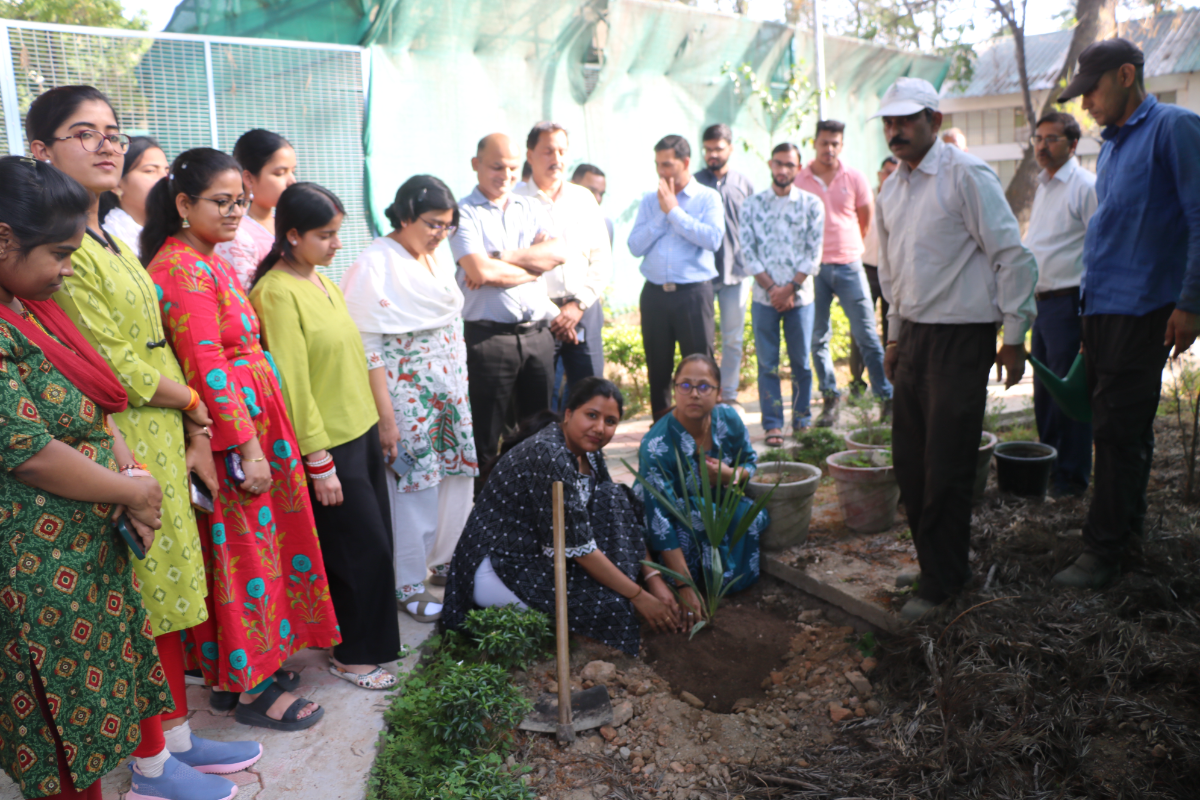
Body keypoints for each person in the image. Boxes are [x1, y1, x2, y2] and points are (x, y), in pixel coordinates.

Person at [28, 85, 263, 777]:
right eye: (83, 132)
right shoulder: (62, 247)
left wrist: (191, 424)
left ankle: (179, 743)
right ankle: (152, 764)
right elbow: (111, 363)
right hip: (122, 430)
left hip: (160, 427)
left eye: (113, 131)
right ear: (41, 152)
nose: (108, 144)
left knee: (167, 597)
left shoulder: (111, 235)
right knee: (140, 600)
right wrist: (196, 403)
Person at [142, 147, 339, 731]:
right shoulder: (178, 269)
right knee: (242, 558)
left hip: (256, 425)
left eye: (240, 201)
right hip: (234, 437)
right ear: (184, 204)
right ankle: (251, 690)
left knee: (265, 552)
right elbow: (204, 365)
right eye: (220, 201)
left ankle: (254, 671)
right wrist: (247, 447)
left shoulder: (206, 256)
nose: (234, 212)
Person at [874, 77, 1037, 620]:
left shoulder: (965, 175)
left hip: (962, 338)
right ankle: (934, 563)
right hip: (916, 337)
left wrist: (1013, 337)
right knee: (912, 463)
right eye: (888, 123)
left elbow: (1011, 256)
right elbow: (892, 271)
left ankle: (944, 584)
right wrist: (895, 335)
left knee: (945, 464)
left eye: (907, 121)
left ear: (935, 122)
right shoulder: (893, 187)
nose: (895, 132)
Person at [1051, 39, 1200, 588]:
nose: (1084, 103)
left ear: (1126, 74)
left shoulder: (1175, 129)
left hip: (1147, 309)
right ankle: (1127, 536)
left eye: (1090, 90)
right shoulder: (1112, 147)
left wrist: (1191, 303)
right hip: (1105, 311)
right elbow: (1108, 237)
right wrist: (1089, 322)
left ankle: (1102, 552)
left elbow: (1199, 216)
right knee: (1124, 430)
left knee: (1115, 429)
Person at [249, 183, 400, 689]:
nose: (337, 245)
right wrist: (318, 460)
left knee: (376, 544)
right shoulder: (274, 291)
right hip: (328, 443)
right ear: (291, 235)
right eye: (325, 235)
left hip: (357, 432)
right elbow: (291, 383)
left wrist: (380, 420)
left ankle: (371, 645)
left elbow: (349, 358)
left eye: (338, 233)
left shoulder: (319, 280)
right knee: (357, 550)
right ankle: (352, 655)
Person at [442, 378, 680, 654]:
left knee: (613, 497)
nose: (599, 428)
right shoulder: (549, 455)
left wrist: (654, 579)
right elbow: (580, 549)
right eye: (591, 415)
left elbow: (621, 520)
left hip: (544, 553)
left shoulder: (589, 453)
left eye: (610, 421)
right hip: (501, 566)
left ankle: (621, 595)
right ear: (569, 414)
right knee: (612, 607)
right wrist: (640, 596)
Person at [341, 175, 479, 622]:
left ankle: (442, 561)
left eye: (448, 225)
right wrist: (386, 418)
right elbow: (369, 348)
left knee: (454, 480)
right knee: (413, 487)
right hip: (405, 399)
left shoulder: (436, 258)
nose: (441, 234)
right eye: (432, 224)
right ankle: (407, 583)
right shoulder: (375, 263)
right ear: (404, 215)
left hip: (449, 395)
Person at [449, 133, 566, 459]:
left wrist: (500, 256)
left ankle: (539, 506)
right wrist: (532, 266)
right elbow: (479, 273)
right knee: (485, 439)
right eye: (496, 167)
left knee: (541, 436)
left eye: (513, 168)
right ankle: (486, 504)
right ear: (476, 165)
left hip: (537, 338)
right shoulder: (464, 213)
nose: (506, 175)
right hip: (488, 341)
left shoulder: (531, 206)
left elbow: (557, 252)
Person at [637, 354, 768, 609]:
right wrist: (683, 585)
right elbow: (659, 521)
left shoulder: (728, 418)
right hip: (671, 519)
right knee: (701, 515)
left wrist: (732, 475)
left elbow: (750, 461)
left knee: (750, 516)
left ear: (718, 393)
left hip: (718, 502)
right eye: (685, 385)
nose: (694, 393)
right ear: (675, 391)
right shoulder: (656, 446)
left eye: (704, 386)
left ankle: (730, 587)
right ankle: (693, 581)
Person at [795, 119, 893, 426]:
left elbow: (865, 218)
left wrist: (849, 246)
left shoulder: (855, 177)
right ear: (814, 143)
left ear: (842, 145)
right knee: (817, 338)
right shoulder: (800, 180)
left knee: (866, 335)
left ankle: (886, 398)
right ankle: (830, 398)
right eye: (824, 142)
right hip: (814, 269)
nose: (829, 149)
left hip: (850, 265)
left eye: (835, 143)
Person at [1024, 111, 1097, 498]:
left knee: (1069, 396)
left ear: (1072, 145)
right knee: (1046, 395)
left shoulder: (1085, 186)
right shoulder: (1044, 186)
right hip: (1042, 305)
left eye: (1051, 139)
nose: (1041, 145)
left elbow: (1099, 251)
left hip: (1070, 304)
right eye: (1038, 138)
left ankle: (1072, 479)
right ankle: (1050, 471)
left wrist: (1088, 314)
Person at [515, 122, 611, 411]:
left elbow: (601, 259)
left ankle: (589, 458)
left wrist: (577, 306)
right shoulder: (514, 200)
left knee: (592, 398)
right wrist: (556, 313)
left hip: (583, 310)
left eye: (561, 151)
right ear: (530, 155)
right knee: (540, 405)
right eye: (547, 151)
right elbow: (514, 263)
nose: (556, 159)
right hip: (537, 318)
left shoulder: (583, 198)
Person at [628, 136, 725, 420]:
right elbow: (634, 246)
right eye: (658, 165)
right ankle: (662, 428)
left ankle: (703, 427)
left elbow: (713, 239)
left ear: (685, 162)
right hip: (655, 294)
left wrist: (675, 212)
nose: (661, 172)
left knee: (700, 364)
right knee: (657, 365)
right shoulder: (650, 200)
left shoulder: (708, 198)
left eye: (667, 164)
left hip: (693, 295)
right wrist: (662, 213)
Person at [741, 143, 825, 443]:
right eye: (778, 163)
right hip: (765, 299)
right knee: (767, 364)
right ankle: (773, 423)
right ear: (769, 165)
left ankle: (802, 419)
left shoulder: (812, 204)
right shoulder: (751, 205)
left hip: (800, 299)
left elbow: (813, 252)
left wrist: (789, 289)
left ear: (799, 167)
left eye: (789, 164)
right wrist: (773, 290)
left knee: (802, 362)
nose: (783, 170)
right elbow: (748, 252)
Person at [694, 124, 755, 413]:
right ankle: (704, 394)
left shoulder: (744, 184)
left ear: (730, 148)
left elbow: (755, 227)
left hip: (737, 273)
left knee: (732, 339)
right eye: (708, 149)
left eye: (718, 149)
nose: (712, 154)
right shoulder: (694, 183)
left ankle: (728, 395)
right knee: (702, 340)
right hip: (702, 274)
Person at [215, 129, 297, 290]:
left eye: (293, 172)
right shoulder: (236, 233)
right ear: (249, 178)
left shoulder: (286, 222)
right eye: (280, 173)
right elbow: (246, 298)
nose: (292, 181)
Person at [850, 155, 899, 395]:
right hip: (866, 269)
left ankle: (889, 382)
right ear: (880, 175)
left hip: (895, 271)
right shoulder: (865, 197)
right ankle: (857, 382)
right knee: (861, 328)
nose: (891, 177)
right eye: (887, 172)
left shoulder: (904, 198)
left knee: (893, 329)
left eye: (895, 172)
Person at [97, 135, 168, 258]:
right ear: (117, 184)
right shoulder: (106, 241)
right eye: (150, 171)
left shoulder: (178, 232)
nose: (164, 179)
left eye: (167, 171)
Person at [571, 163, 613, 244]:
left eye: (601, 194)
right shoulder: (554, 217)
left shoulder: (606, 225)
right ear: (573, 185)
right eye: (591, 191)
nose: (598, 198)